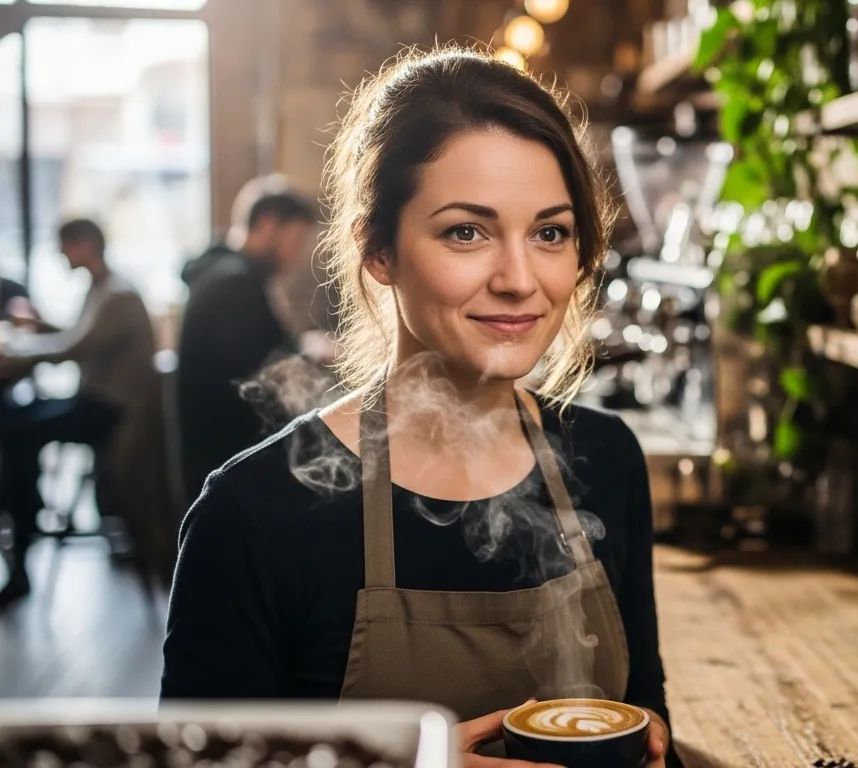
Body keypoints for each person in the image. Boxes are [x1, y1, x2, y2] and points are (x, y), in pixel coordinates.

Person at [161, 46, 672, 767]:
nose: (521, 279)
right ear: (378, 249)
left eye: (550, 233)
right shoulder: (254, 512)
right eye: (467, 231)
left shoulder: (605, 458)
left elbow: (647, 713)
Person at [0, 219, 160, 608]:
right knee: (16, 423)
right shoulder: (105, 288)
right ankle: (26, 510)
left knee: (17, 432)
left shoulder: (117, 294)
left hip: (109, 413)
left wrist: (13, 353)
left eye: (64, 245)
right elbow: (81, 337)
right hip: (96, 404)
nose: (59, 255)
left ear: (86, 244)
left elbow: (75, 349)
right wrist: (38, 326)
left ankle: (24, 532)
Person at [175, 191, 317, 504]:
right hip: (224, 460)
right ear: (268, 226)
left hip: (218, 456)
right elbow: (260, 377)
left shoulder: (226, 275)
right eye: (294, 243)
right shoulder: (234, 286)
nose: (293, 258)